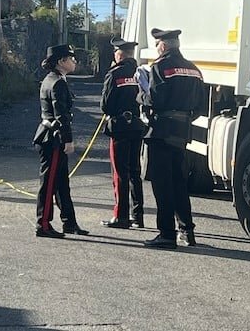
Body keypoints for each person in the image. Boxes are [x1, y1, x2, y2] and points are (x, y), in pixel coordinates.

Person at [141, 28, 204, 249]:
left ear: (163, 46)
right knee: (179, 183)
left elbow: (154, 99)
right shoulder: (194, 69)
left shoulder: (160, 67)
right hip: (182, 131)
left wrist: (141, 95)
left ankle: (166, 234)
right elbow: (200, 107)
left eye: (157, 45)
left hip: (162, 131)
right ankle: (186, 231)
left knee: (162, 184)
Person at [33, 44, 89, 238]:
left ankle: (69, 222)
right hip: (52, 137)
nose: (74, 62)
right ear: (60, 62)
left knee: (62, 182)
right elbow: (61, 115)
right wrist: (68, 140)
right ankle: (43, 224)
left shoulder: (55, 79)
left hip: (52, 135)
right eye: (70, 58)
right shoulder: (57, 82)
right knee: (49, 183)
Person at [100, 37, 145, 229]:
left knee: (120, 173)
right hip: (137, 125)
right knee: (135, 171)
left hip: (119, 127)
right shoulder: (140, 73)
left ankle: (121, 216)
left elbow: (106, 105)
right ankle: (138, 215)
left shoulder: (115, 74)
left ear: (119, 54)